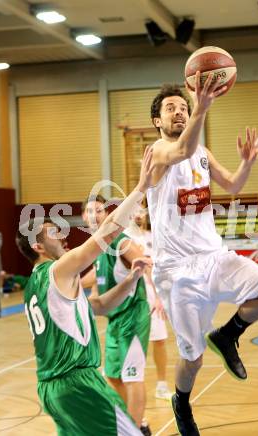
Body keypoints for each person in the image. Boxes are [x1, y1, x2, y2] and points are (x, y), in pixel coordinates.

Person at [146, 75, 258, 434]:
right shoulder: (158, 151)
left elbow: (233, 185)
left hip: (213, 256)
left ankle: (227, 334)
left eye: (182, 107)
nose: (178, 112)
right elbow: (180, 151)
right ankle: (181, 400)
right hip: (177, 271)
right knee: (192, 358)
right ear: (157, 122)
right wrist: (202, 107)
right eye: (170, 109)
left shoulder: (203, 153)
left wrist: (247, 163)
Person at [15, 148, 153, 435]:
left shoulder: (36, 286)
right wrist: (141, 188)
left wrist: (132, 278)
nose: (62, 235)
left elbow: (99, 305)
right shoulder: (57, 271)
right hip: (78, 382)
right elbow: (107, 234)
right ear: (37, 247)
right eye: (53, 232)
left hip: (50, 388)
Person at [82, 195, 152, 435]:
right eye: (89, 211)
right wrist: (71, 284)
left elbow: (144, 263)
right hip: (114, 320)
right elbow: (96, 276)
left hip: (133, 315)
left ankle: (135, 429)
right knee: (112, 377)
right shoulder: (96, 247)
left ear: (107, 215)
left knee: (132, 375)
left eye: (99, 210)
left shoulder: (120, 241)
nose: (94, 215)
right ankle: (134, 422)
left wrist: (159, 298)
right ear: (83, 217)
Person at [126, 212, 173, 400]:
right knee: (132, 341)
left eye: (141, 209)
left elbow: (157, 268)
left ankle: (161, 386)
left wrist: (161, 295)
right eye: (134, 210)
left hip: (153, 293)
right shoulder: (124, 239)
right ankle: (127, 379)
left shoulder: (154, 237)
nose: (138, 214)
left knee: (160, 340)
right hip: (131, 294)